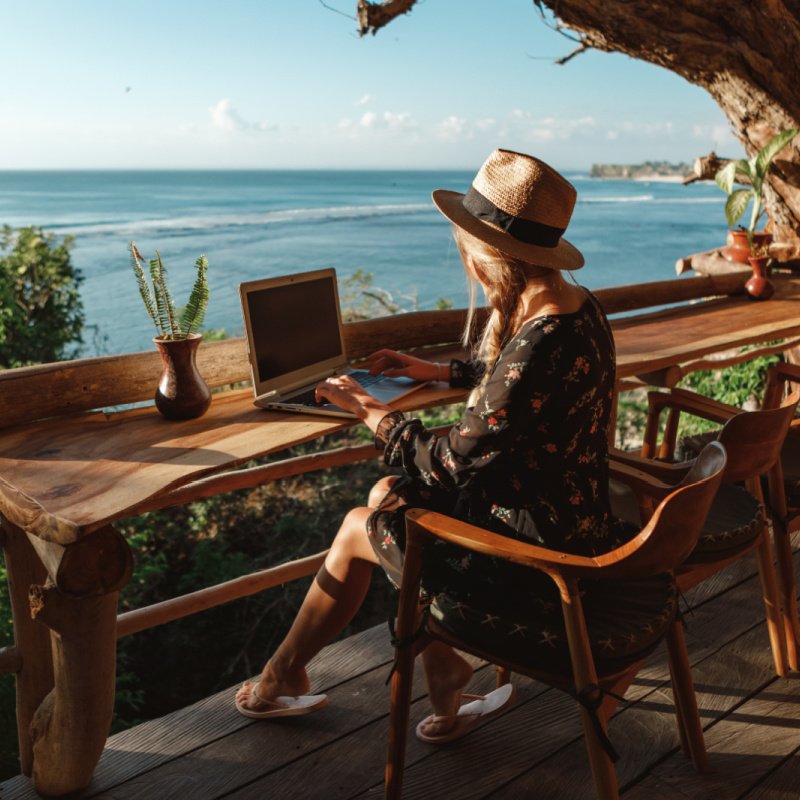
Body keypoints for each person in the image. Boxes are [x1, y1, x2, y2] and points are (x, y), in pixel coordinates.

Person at [235, 148, 621, 742]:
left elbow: (453, 464)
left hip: (541, 560)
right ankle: (440, 683)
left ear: (487, 254)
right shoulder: (575, 307)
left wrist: (370, 409)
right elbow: (521, 390)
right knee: (388, 494)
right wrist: (437, 372)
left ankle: (282, 676)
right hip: (576, 521)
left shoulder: (539, 339)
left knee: (360, 523)